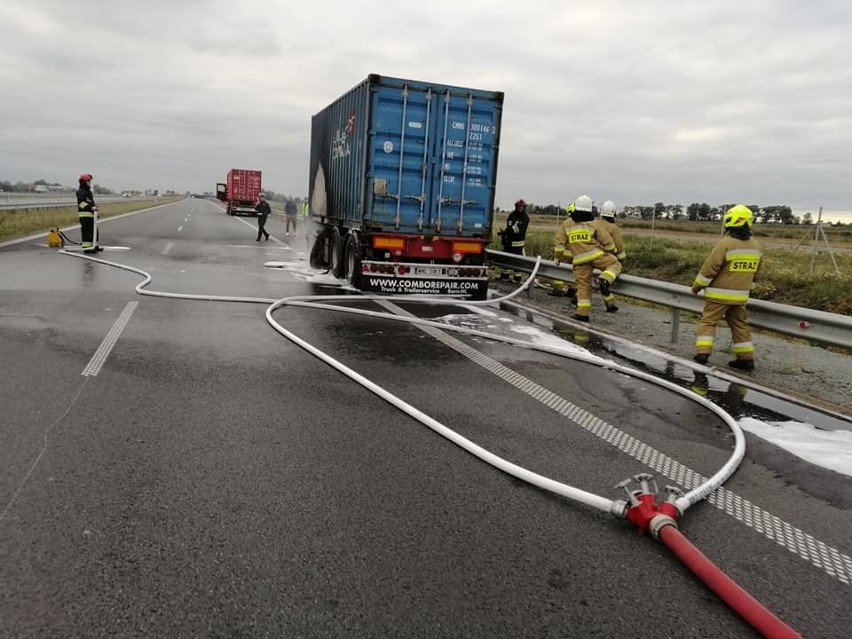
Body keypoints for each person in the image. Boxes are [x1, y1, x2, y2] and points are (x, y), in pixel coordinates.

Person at [691, 204, 764, 370]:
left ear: (729, 221)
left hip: (718, 295)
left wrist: (697, 287)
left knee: (708, 322)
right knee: (740, 325)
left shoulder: (725, 243)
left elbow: (710, 268)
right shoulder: (757, 246)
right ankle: (746, 359)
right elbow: (757, 273)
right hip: (740, 296)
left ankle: (703, 353)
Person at [553, 194, 621, 321]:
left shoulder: (566, 224)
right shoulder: (595, 223)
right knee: (615, 263)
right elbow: (607, 241)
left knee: (583, 286)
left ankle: (582, 314)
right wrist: (612, 251)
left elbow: (559, 243)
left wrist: (558, 257)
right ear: (590, 209)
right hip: (597, 256)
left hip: (579, 261)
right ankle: (604, 279)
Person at [596, 200, 626, 311]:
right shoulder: (614, 228)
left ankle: (610, 304)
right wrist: (621, 260)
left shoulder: (594, 223)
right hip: (606, 257)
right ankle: (604, 280)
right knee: (615, 266)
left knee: (586, 278)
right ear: (614, 212)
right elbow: (619, 247)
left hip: (590, 255)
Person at [497, 198, 530, 282]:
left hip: (517, 244)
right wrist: (504, 234)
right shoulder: (511, 215)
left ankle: (517, 278)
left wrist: (508, 231)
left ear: (524, 207)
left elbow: (519, 229)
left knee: (517, 261)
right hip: (508, 242)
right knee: (506, 260)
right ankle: (504, 276)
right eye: (519, 206)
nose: (520, 208)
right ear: (516, 206)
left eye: (522, 206)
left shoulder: (525, 218)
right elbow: (509, 226)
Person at [76, 173, 101, 253]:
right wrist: (91, 208)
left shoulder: (88, 192)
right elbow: (81, 203)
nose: (89, 183)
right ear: (83, 182)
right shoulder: (80, 192)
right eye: (88, 181)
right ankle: (87, 248)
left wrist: (95, 210)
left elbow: (91, 202)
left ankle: (95, 246)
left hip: (91, 215)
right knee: (87, 232)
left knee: (94, 231)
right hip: (84, 215)